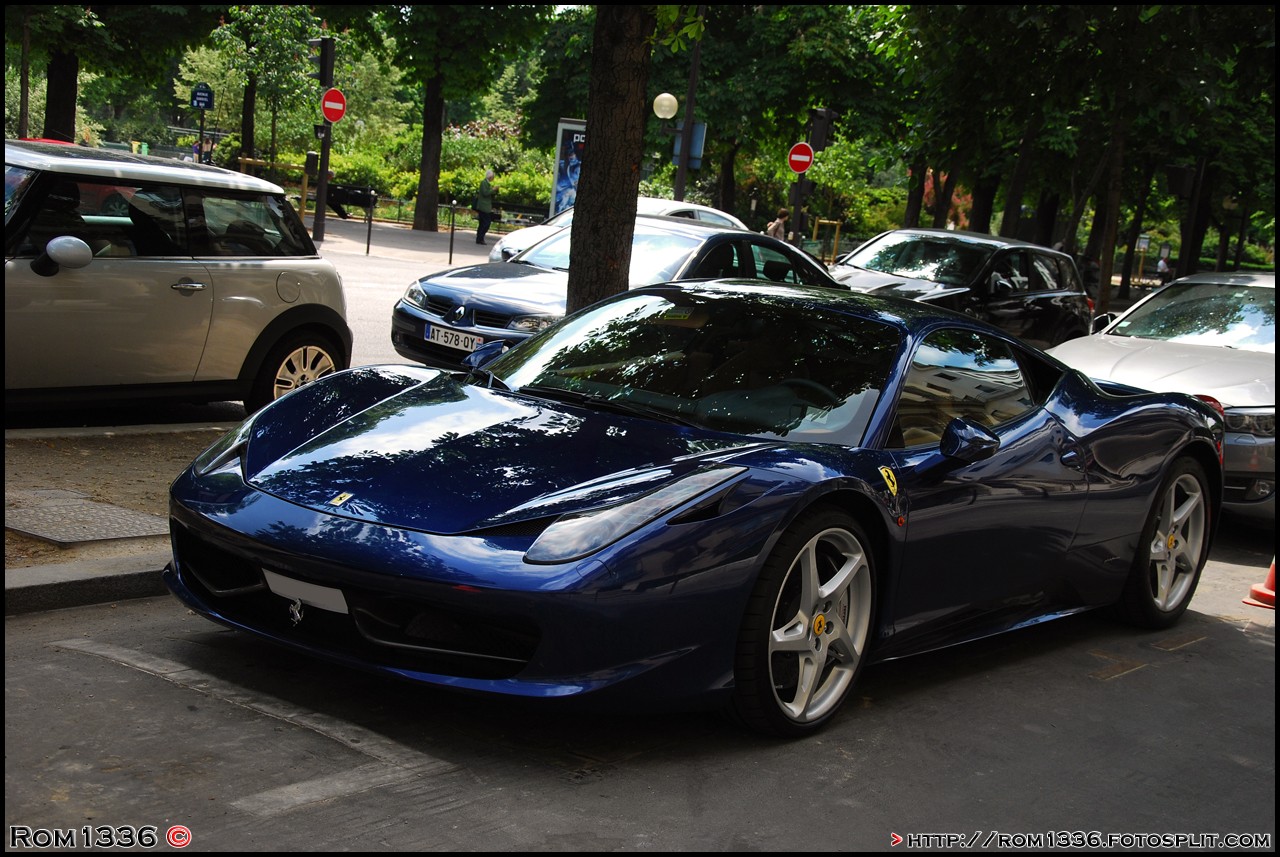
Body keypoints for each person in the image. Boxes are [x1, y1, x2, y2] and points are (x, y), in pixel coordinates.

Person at [475, 169, 495, 245]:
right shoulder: (484, 183)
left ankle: (480, 238)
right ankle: (480, 237)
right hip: (483, 206)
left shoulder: (487, 183)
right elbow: (485, 193)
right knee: (486, 222)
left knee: (482, 222)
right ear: (490, 176)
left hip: (485, 206)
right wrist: (493, 190)